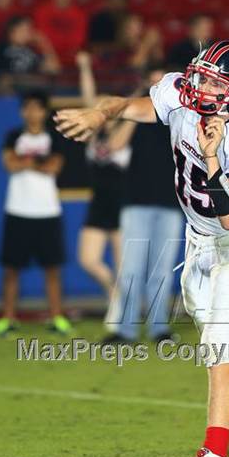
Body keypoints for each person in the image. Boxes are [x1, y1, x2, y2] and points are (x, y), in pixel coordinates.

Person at [54, 39, 229, 457]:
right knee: (224, 338)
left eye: (215, 82)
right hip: (198, 240)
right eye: (201, 75)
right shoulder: (179, 93)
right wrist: (101, 113)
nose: (201, 86)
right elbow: (130, 106)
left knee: (216, 346)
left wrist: (211, 155)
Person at [102, 67, 183, 344]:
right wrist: (137, 106)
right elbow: (114, 144)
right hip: (135, 202)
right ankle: (125, 330)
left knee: (162, 270)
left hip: (171, 203)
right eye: (153, 83)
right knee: (131, 270)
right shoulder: (137, 119)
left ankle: (159, 329)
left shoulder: (178, 117)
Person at [0, 90, 71, 338]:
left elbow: (54, 167)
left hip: (48, 211)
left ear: (44, 112)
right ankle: (8, 319)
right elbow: (10, 164)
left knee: (52, 269)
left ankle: (57, 318)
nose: (31, 112)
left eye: (36, 107)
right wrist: (38, 163)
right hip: (17, 210)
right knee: (11, 269)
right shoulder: (13, 136)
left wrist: (26, 161)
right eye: (27, 107)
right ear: (22, 111)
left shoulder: (54, 137)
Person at [76, 51, 133, 304]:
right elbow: (88, 100)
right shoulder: (92, 135)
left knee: (123, 267)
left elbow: (115, 145)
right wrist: (84, 67)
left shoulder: (126, 129)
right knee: (88, 260)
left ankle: (123, 312)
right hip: (98, 203)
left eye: (104, 107)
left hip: (122, 203)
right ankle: (114, 295)